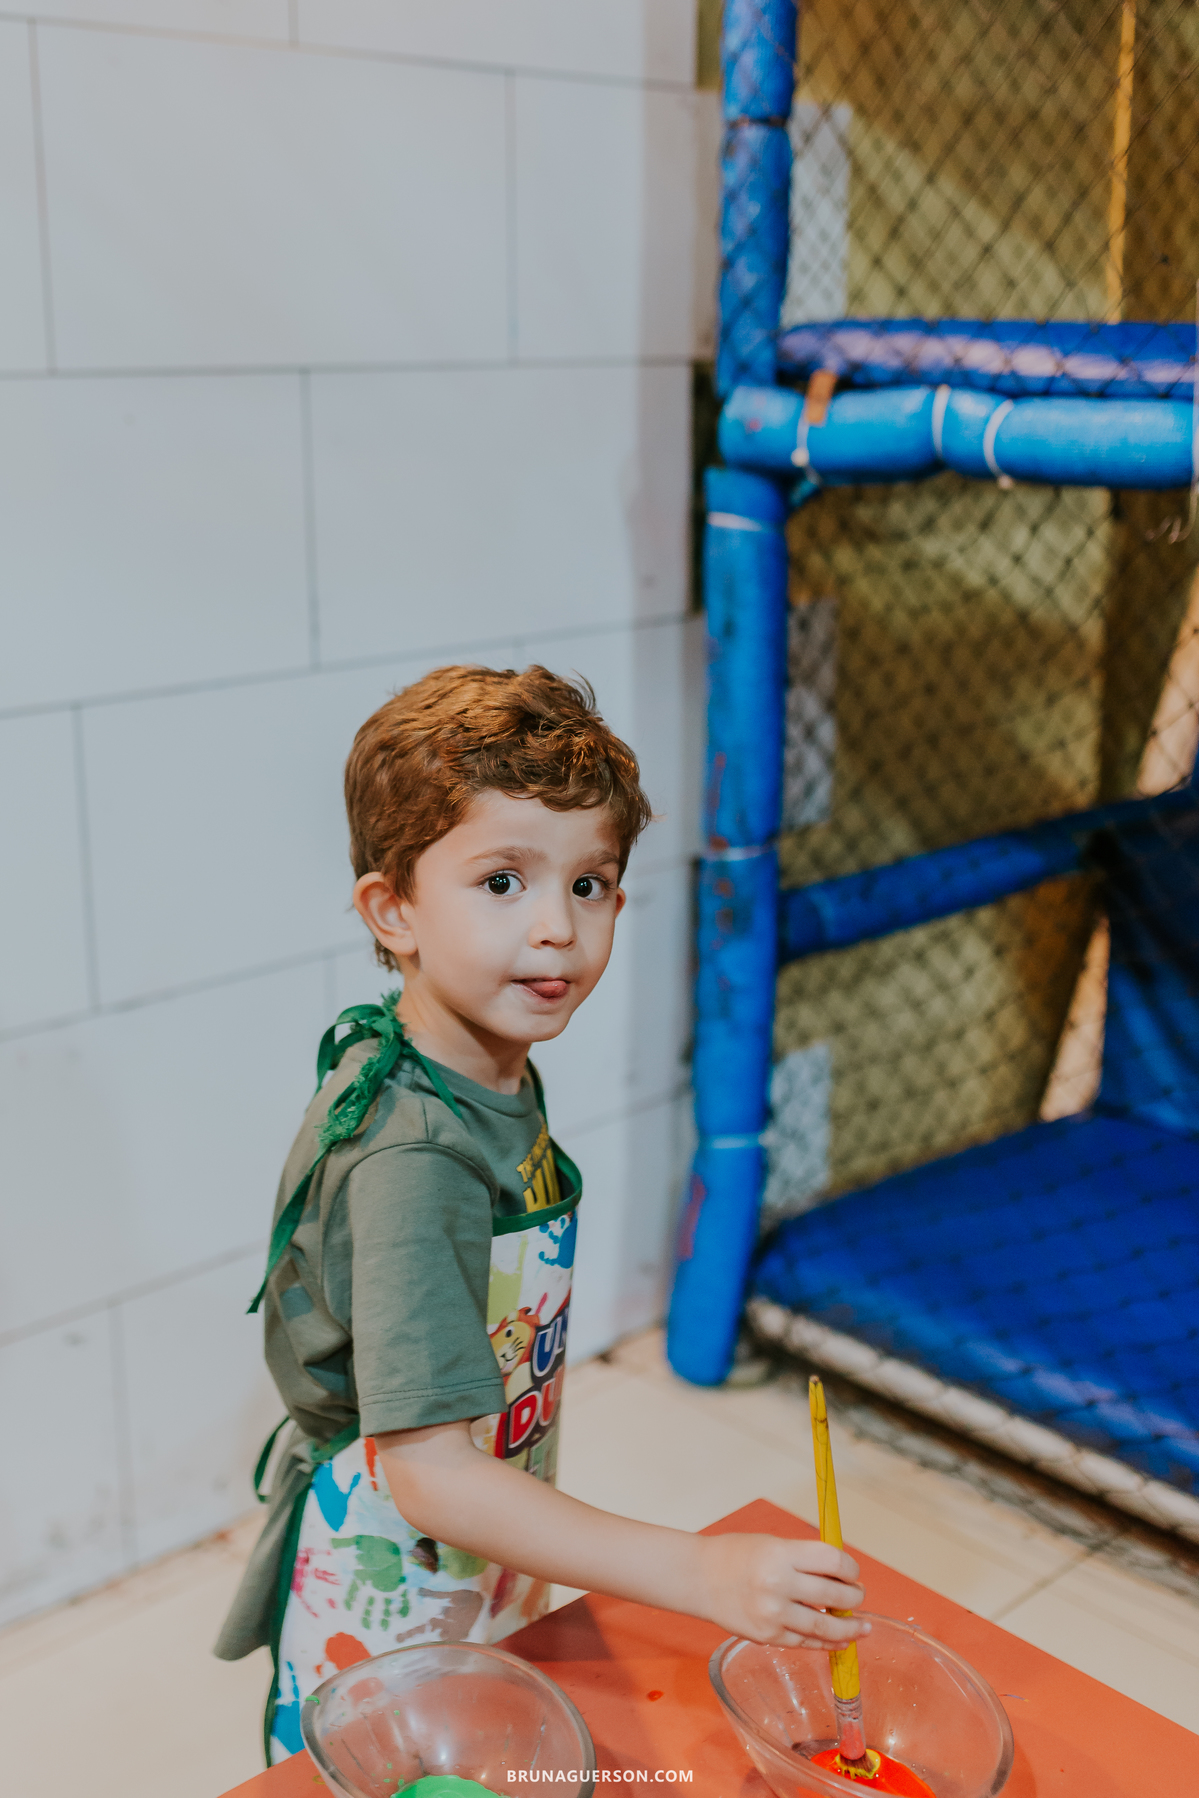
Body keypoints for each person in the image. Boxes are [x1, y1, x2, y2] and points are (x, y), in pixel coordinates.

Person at [215, 664, 868, 1760]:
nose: (560, 929)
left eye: (591, 882)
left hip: (487, 1535)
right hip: (396, 1577)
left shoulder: (491, 1067)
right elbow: (427, 1470)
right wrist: (697, 1570)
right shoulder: (411, 1152)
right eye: (504, 881)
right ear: (395, 909)